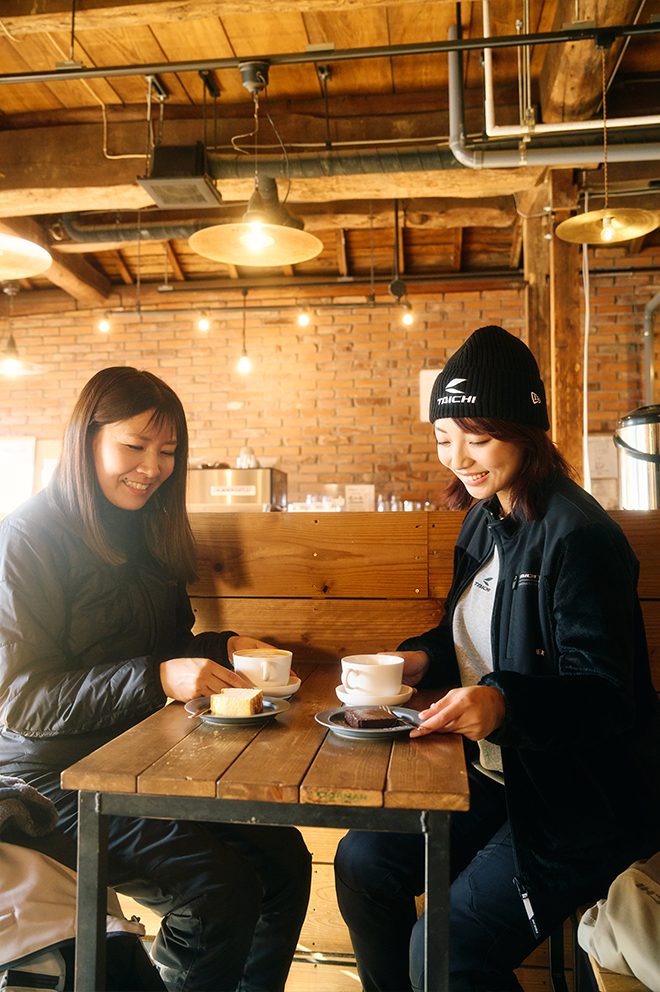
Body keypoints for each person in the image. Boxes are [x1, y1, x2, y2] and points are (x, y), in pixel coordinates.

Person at [334, 325, 660, 992]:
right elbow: (471, 638)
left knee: (445, 950)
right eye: (443, 438)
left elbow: (605, 695)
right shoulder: (484, 519)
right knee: (363, 861)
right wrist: (420, 662)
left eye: (477, 438)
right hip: (494, 774)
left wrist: (504, 703)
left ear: (525, 429)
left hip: (577, 800)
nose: (458, 458)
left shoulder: (581, 537)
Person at [0, 366, 311, 992]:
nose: (152, 467)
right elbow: (20, 701)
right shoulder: (25, 537)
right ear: (86, 439)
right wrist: (159, 675)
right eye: (134, 445)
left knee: (284, 864)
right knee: (216, 889)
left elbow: (165, 649)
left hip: (138, 759)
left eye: (167, 451)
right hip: (46, 779)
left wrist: (222, 647)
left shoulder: (146, 530)